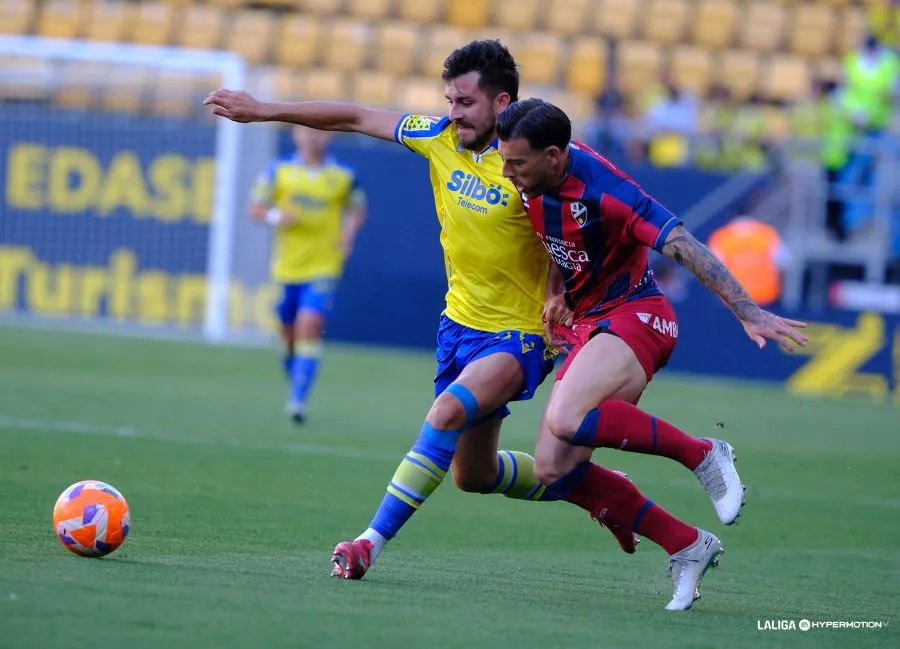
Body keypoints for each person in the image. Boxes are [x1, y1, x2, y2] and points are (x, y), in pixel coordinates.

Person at [205, 41, 639, 580]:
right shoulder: (437, 138)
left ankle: (367, 543)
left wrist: (563, 295)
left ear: (502, 103)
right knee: (473, 474)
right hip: (459, 326)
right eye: (449, 100)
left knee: (446, 413)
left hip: (521, 334)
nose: (453, 112)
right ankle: (605, 494)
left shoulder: (526, 165)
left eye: (464, 102)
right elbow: (356, 115)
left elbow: (577, 234)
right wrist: (264, 109)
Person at [496, 98, 809, 610]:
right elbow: (558, 246)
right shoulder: (534, 182)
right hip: (591, 324)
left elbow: (683, 243)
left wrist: (747, 310)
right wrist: (557, 291)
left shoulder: (607, 192)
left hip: (639, 316)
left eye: (516, 163)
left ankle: (704, 453)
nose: (506, 172)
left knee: (567, 416)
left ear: (554, 156)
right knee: (553, 468)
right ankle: (687, 544)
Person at [249, 126, 366, 423]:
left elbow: (358, 209)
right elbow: (256, 208)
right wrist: (277, 216)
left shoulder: (344, 176)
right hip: (287, 266)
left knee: (309, 324)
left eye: (321, 131)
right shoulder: (279, 171)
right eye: (307, 131)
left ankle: (298, 401)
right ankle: (297, 378)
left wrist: (348, 234)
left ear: (330, 136)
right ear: (297, 135)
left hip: (324, 265)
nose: (314, 136)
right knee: (288, 336)